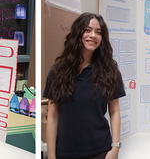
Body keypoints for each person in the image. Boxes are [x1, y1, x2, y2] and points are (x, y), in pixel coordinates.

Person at [44, 12, 124, 159]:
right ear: (77, 33)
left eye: (98, 32)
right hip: (65, 152)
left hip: (100, 151)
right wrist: (51, 156)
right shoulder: (57, 72)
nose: (93, 35)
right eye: (87, 30)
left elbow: (114, 111)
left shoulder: (109, 71)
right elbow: (53, 116)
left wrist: (115, 148)